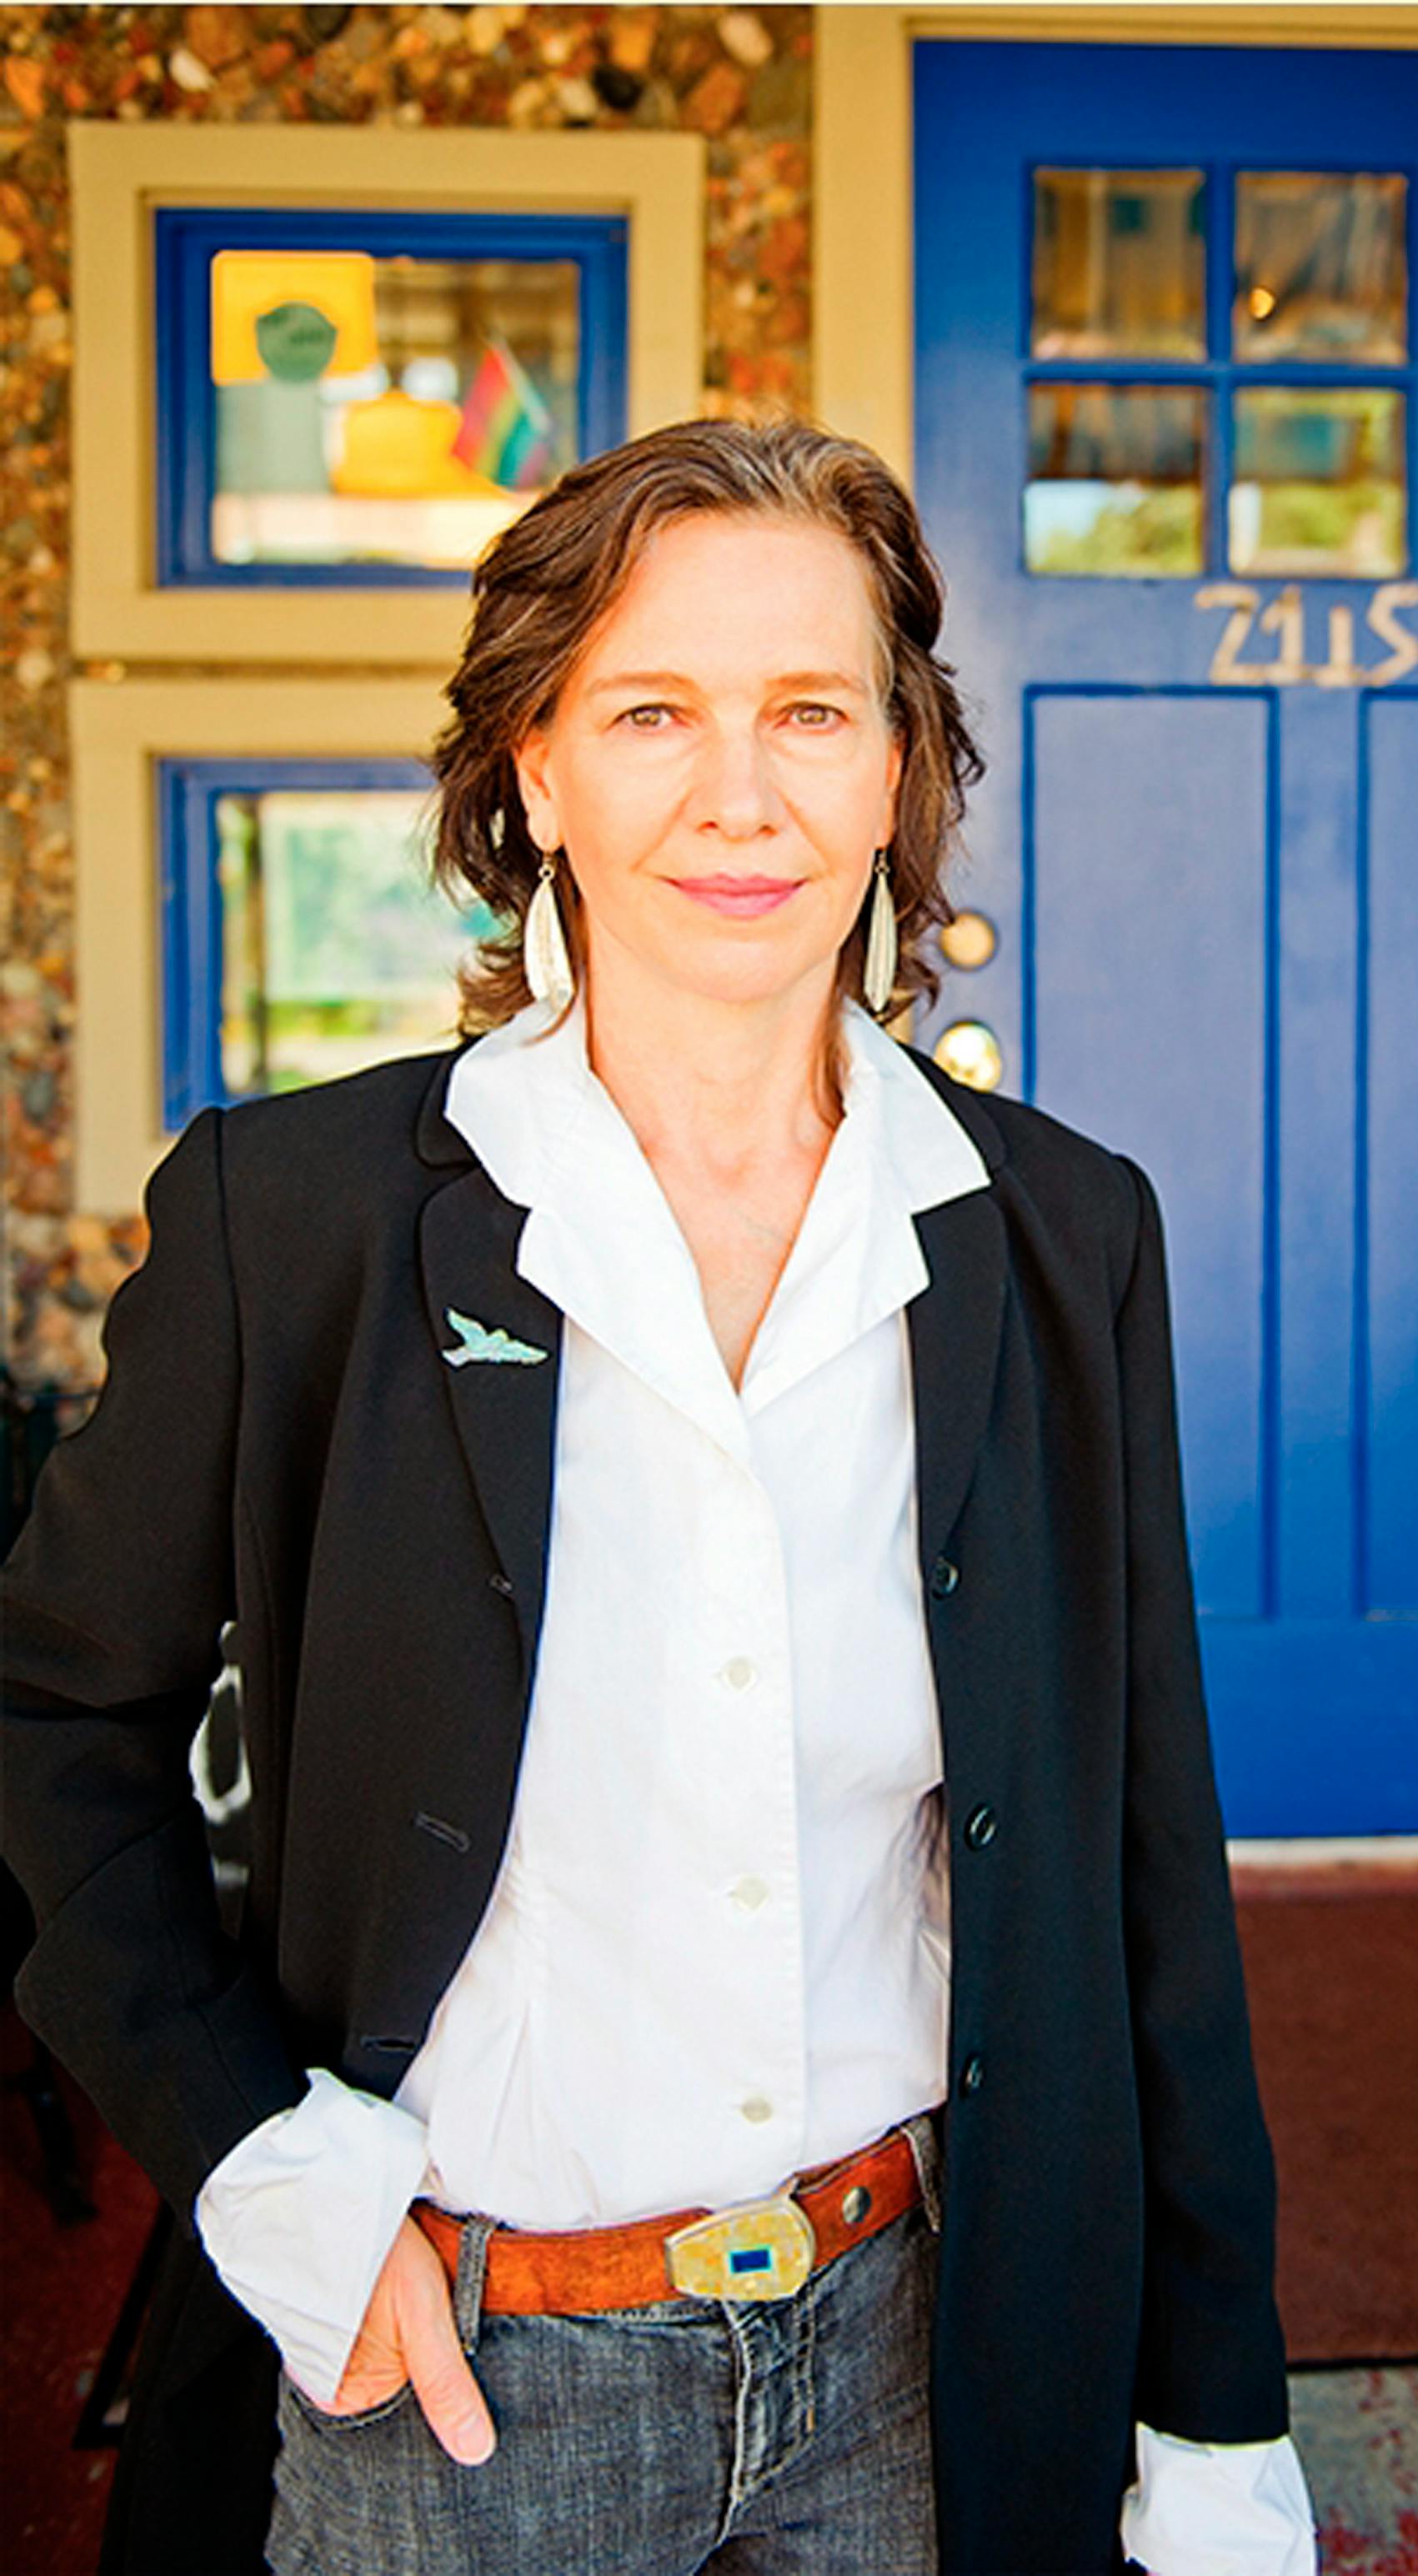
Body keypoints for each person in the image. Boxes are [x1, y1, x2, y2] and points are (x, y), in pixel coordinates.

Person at [2, 418, 1316, 2576]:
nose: (741, 794)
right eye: (648, 714)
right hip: (459, 2378)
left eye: (811, 712)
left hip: (924, 2354)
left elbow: (1143, 1848)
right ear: (533, 771)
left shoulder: (1061, 1236)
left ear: (896, 773)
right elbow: (52, 1722)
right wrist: (263, 2164)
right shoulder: (296, 1218)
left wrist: (1217, 2405)